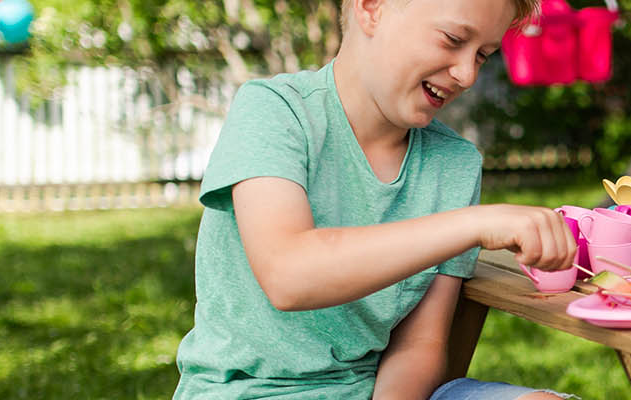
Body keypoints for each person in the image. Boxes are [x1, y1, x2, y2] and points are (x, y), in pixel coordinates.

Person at [171, 0, 580, 398]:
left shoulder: (454, 163)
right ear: (371, 8)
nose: (467, 74)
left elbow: (420, 344)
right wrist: (474, 224)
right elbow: (288, 275)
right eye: (453, 39)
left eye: (483, 55)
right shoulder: (274, 110)